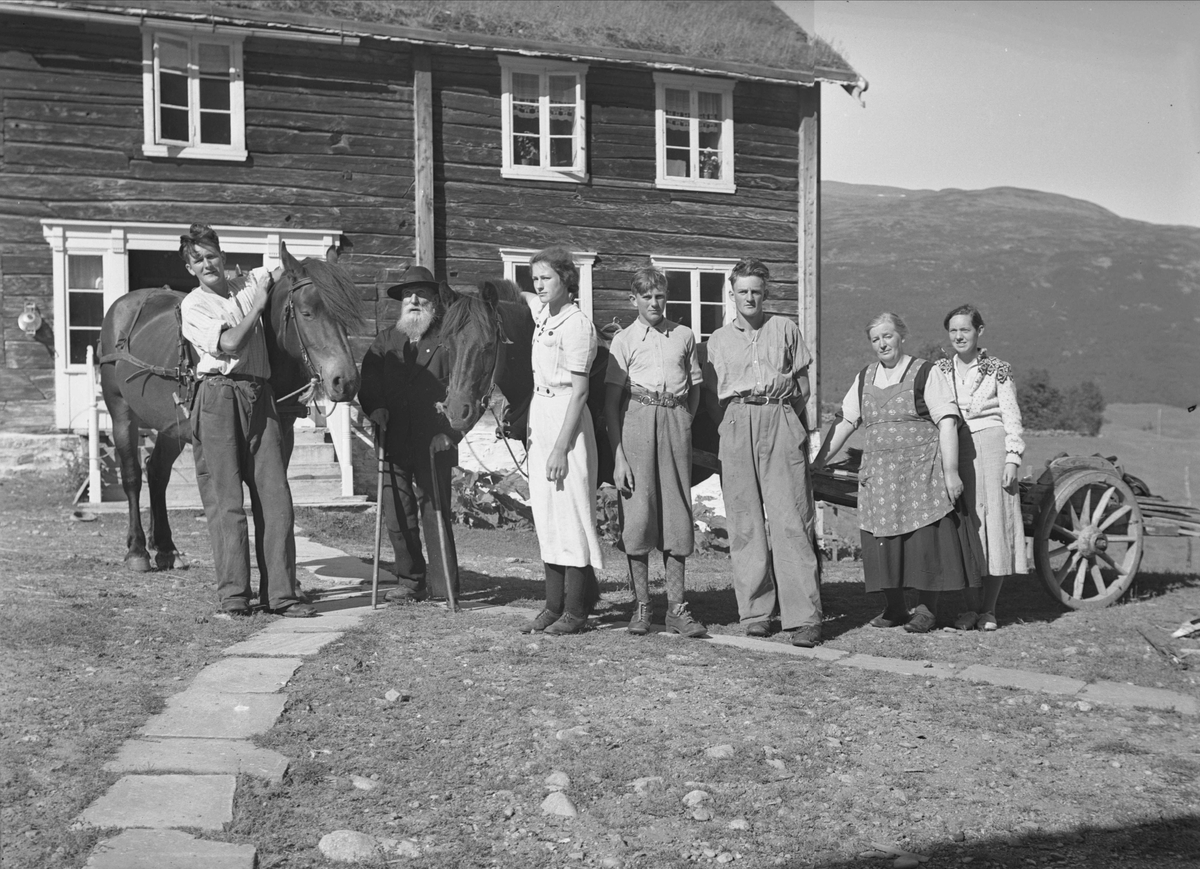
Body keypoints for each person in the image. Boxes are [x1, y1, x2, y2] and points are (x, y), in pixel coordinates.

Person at [178, 223, 316, 617]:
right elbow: (230, 343)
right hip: (218, 397)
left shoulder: (249, 281)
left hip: (262, 395)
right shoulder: (193, 305)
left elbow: (288, 273)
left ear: (222, 256)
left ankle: (283, 595)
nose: (207, 264)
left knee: (276, 499)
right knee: (227, 503)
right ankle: (235, 596)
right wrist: (257, 306)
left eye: (212, 255)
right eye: (198, 260)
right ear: (190, 268)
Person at [813, 312, 981, 633]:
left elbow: (946, 420)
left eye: (887, 336)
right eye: (875, 339)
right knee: (883, 543)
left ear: (901, 336)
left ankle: (925, 610)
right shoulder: (865, 377)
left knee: (923, 543)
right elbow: (847, 421)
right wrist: (820, 460)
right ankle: (893, 608)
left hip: (921, 473)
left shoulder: (925, 372)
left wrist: (950, 472)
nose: (882, 344)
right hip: (880, 477)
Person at [702, 258, 823, 647]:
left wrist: (789, 421)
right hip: (737, 421)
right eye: (742, 291)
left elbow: (803, 384)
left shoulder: (784, 328)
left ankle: (803, 616)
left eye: (756, 290)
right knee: (744, 521)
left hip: (780, 417)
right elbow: (713, 392)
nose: (749, 297)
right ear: (732, 293)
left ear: (765, 293)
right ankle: (756, 612)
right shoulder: (718, 339)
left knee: (791, 518)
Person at [604, 267, 708, 639]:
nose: (654, 302)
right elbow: (610, 403)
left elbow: (695, 388)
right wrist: (618, 456)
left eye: (659, 296)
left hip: (675, 422)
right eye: (646, 296)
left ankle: (678, 609)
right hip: (636, 422)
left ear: (667, 298)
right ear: (633, 300)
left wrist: (684, 420)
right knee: (639, 512)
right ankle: (643, 607)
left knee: (677, 512)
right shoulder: (624, 340)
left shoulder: (683, 335)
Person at [359, 265, 460, 604]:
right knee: (397, 512)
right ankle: (411, 580)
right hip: (393, 439)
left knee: (435, 511)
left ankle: (445, 585)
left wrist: (452, 433)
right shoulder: (385, 340)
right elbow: (369, 383)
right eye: (406, 295)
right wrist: (375, 408)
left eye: (420, 293)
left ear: (434, 300)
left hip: (435, 440)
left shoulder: (448, 339)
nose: (413, 299)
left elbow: (464, 389)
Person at [520, 246, 603, 635]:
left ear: (566, 281)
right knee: (547, 513)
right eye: (535, 278)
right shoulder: (543, 318)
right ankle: (552, 605)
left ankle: (576, 610)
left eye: (546, 278)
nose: (539, 285)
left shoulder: (577, 325)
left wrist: (560, 447)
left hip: (568, 422)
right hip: (542, 414)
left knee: (571, 514)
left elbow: (581, 392)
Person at [939, 304, 1027, 631]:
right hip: (954, 449)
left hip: (992, 449)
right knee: (964, 527)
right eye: (953, 330)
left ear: (980, 332)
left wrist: (1012, 458)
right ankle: (968, 609)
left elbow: (1011, 415)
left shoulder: (998, 370)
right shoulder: (940, 371)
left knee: (993, 528)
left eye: (966, 329)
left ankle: (988, 610)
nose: (959, 336)